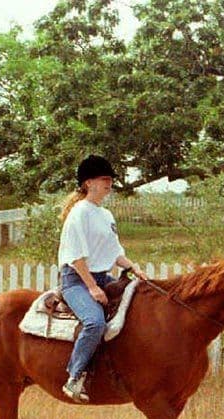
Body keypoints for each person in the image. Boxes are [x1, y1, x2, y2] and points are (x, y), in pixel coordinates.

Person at [59, 155, 148, 403]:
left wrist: (134, 268)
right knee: (94, 323)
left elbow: (115, 252)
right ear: (89, 183)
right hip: (76, 280)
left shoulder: (106, 215)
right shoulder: (79, 213)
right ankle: (74, 377)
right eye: (105, 179)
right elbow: (76, 257)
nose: (110, 184)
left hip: (100, 276)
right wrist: (92, 287)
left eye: (110, 180)